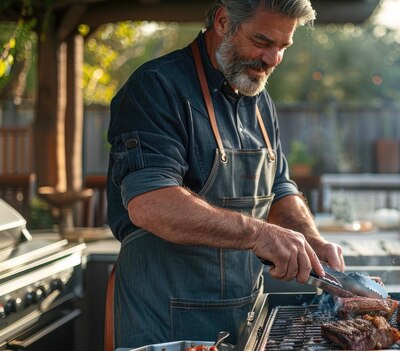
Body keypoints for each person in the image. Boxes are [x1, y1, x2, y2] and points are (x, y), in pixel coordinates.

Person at [106, 0, 344, 347]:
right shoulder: (157, 87)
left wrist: (311, 240)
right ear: (222, 21)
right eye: (263, 42)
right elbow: (150, 203)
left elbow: (278, 188)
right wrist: (258, 233)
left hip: (246, 317)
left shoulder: (259, 99)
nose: (273, 59)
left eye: (283, 47)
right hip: (165, 323)